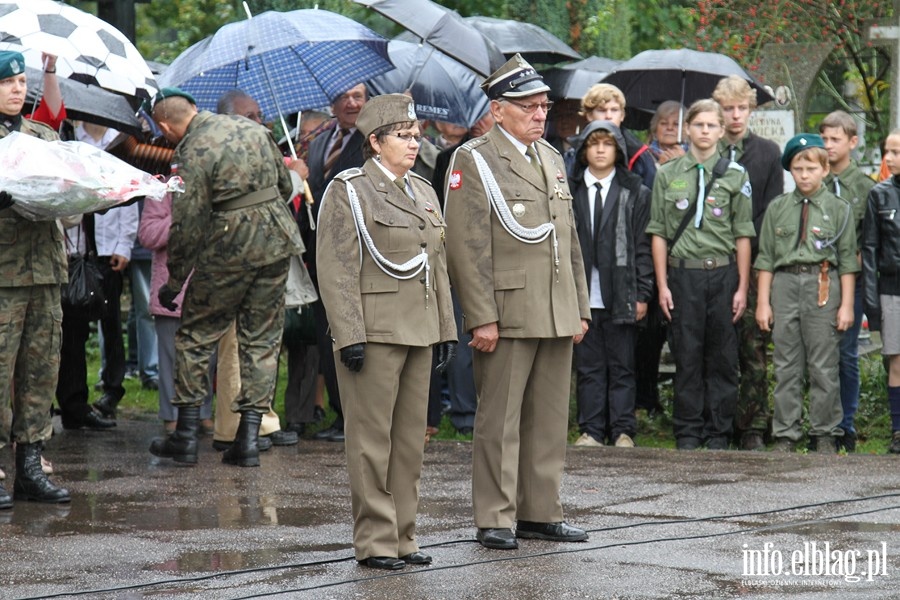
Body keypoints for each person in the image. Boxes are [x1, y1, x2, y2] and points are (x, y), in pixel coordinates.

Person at [444, 54, 590, 551]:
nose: (539, 114)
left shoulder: (549, 156)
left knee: (549, 418)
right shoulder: (475, 159)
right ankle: (495, 516)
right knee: (499, 420)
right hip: (505, 311)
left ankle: (540, 511)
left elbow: (567, 238)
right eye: (528, 106)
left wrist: (580, 307)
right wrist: (481, 315)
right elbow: (466, 246)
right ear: (498, 109)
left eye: (543, 105)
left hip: (554, 307)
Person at [316, 94, 457, 570]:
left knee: (409, 441)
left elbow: (436, 265)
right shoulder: (349, 190)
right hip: (374, 332)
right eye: (403, 136)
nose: (414, 143)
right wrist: (349, 333)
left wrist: (445, 329)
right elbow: (335, 268)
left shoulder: (423, 190)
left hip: (418, 329)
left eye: (417, 135)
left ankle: (403, 536)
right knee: (371, 442)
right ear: (375, 142)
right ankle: (376, 541)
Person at [147, 87, 303, 467]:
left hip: (228, 248)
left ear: (166, 126)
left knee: (196, 336)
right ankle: (248, 439)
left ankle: (184, 437)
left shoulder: (190, 150)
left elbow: (188, 221)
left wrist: (175, 281)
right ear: (195, 109)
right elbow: (285, 187)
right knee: (262, 339)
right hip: (277, 243)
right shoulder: (255, 130)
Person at [646, 99, 754, 451]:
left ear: (722, 132)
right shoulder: (668, 173)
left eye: (712, 126)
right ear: (687, 129)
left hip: (722, 274)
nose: (705, 131)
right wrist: (662, 285)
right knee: (687, 355)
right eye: (699, 125)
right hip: (683, 276)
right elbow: (659, 233)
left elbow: (742, 235)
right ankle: (688, 431)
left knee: (722, 357)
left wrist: (742, 287)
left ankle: (718, 432)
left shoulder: (736, 175)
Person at [755, 134, 857, 453]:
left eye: (811, 167)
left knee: (823, 364)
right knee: (786, 363)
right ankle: (786, 433)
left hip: (823, 285)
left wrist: (847, 307)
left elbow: (849, 261)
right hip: (784, 286)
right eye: (798, 168)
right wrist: (762, 303)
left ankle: (825, 433)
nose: (804, 174)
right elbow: (767, 260)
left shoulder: (839, 209)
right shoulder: (778, 208)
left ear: (825, 169)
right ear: (790, 170)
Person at [209, 89, 299, 450]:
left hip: (261, 261)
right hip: (232, 262)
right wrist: (296, 178)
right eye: (250, 118)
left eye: (260, 117)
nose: (259, 124)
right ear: (228, 120)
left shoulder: (256, 149)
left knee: (261, 345)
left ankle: (261, 420)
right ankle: (231, 429)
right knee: (235, 346)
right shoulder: (218, 153)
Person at [0, 50, 70, 505]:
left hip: (44, 271)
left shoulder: (40, 135)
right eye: (7, 83)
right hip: (2, 276)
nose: (17, 89)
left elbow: (70, 182)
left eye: (21, 81)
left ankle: (29, 467)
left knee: (40, 372)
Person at [568, 120, 653, 448]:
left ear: (618, 151)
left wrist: (642, 293)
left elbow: (642, 246)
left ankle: (622, 430)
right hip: (583, 294)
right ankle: (590, 429)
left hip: (622, 290)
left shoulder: (635, 191)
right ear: (584, 150)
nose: (600, 150)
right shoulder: (571, 192)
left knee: (622, 364)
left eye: (607, 144)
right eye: (593, 144)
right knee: (589, 366)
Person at [712, 75, 784, 451]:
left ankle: (754, 422)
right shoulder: (709, 151)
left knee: (753, 346)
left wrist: (747, 241)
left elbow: (772, 209)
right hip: (712, 256)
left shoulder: (768, 152)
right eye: (728, 109)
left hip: (755, 258)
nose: (735, 116)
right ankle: (718, 421)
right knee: (718, 341)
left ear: (751, 110)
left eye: (741, 108)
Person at [62, 123, 139, 423]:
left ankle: (113, 387)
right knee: (73, 331)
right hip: (75, 252)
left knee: (111, 319)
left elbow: (127, 195)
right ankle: (74, 401)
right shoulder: (68, 138)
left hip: (108, 250)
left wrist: (125, 245)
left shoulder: (118, 142)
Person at [305, 83, 369, 443]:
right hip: (318, 254)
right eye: (343, 96)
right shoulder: (318, 144)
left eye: (358, 96)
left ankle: (358, 414)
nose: (350, 102)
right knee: (325, 332)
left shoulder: (372, 144)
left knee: (353, 333)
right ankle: (339, 412)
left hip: (357, 254)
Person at [819, 111, 876, 452]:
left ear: (852, 143)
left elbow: (868, 241)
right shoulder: (815, 181)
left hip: (850, 281)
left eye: (835, 139)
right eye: (824, 138)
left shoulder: (866, 188)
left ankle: (846, 424)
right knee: (818, 353)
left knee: (846, 352)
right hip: (818, 279)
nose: (827, 146)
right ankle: (822, 423)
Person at [138, 186, 215, 433]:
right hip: (169, 290)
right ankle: (172, 416)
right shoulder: (160, 190)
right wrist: (180, 218)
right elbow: (147, 234)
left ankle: (203, 412)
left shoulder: (212, 184)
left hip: (207, 287)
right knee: (171, 359)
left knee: (207, 357)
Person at [862, 129, 900, 454]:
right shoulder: (879, 195)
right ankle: (898, 430)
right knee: (897, 360)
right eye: (887, 151)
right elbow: (870, 250)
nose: (889, 158)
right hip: (893, 289)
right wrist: (871, 304)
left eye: (896, 152)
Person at [648, 100, 687, 165]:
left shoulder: (695, 155)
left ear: (686, 128)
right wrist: (659, 165)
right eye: (664, 123)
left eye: (676, 124)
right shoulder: (644, 156)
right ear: (655, 128)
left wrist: (685, 162)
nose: (669, 128)